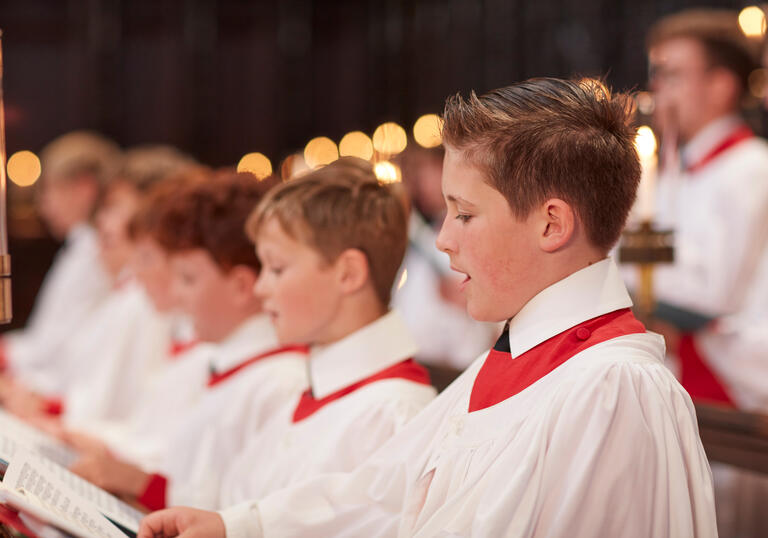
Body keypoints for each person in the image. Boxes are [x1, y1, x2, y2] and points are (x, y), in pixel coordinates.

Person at [139, 78, 716, 538]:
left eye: (463, 213)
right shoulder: (514, 358)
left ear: (551, 223)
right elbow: (385, 494)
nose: (442, 239)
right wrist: (234, 526)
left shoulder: (612, 389)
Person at [69, 172, 309, 512]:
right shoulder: (227, 361)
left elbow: (246, 513)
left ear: (242, 286)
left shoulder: (281, 381)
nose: (177, 293)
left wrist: (142, 484)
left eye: (188, 279)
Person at [213, 158, 435, 509]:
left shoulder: (394, 416)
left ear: (348, 273)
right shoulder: (312, 387)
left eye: (276, 268)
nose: (260, 288)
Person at [644, 9, 768, 326]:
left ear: (720, 85)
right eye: (655, 75)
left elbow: (715, 295)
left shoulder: (751, 169)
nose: (658, 88)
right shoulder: (674, 168)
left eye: (670, 75)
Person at [0, 131, 121, 392]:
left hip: (64, 389)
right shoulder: (80, 247)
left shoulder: (97, 253)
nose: (44, 206)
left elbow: (56, 347)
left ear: (84, 188)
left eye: (48, 191)